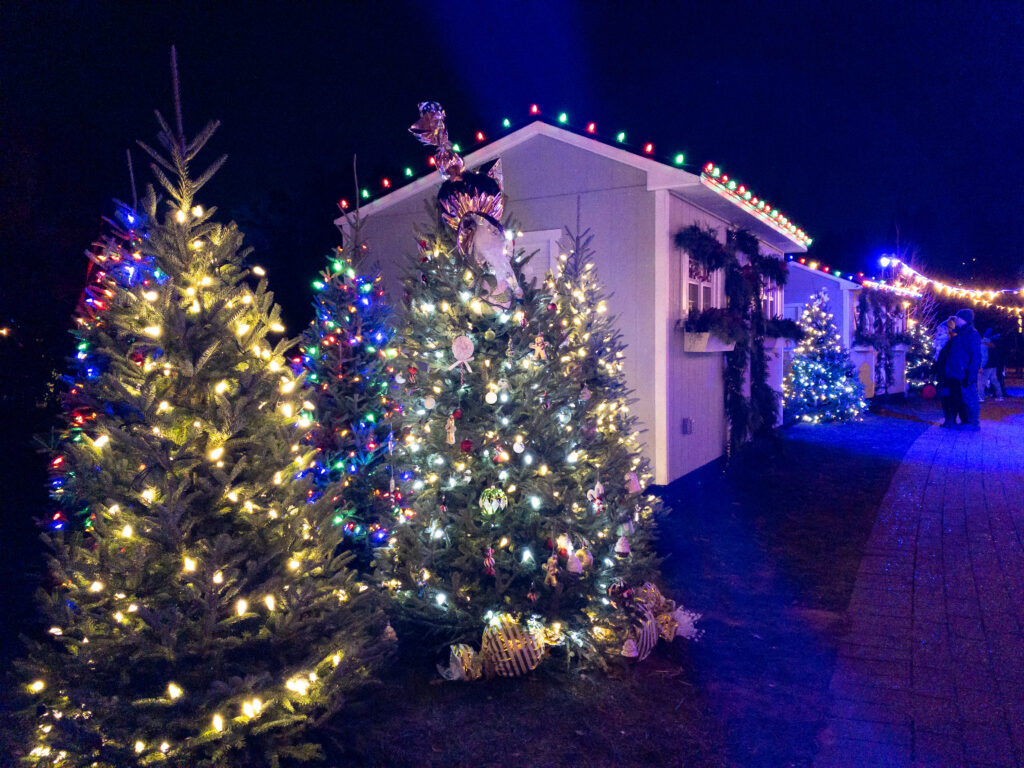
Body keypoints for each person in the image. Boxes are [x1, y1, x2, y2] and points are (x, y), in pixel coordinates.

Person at [945, 308, 982, 430]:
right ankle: (966, 421)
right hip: (956, 372)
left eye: (958, 318)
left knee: (970, 398)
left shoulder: (972, 333)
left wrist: (971, 374)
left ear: (965, 319)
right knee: (963, 398)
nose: (956, 320)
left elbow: (975, 356)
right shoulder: (959, 333)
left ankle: (973, 423)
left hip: (965, 372)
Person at [934, 316, 959, 427]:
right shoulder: (947, 343)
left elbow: (944, 359)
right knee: (947, 396)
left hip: (950, 373)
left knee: (951, 397)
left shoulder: (952, 343)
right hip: (947, 373)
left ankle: (951, 420)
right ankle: (949, 419)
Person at [978, 329, 1004, 401]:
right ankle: (1000, 396)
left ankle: (980, 397)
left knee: (981, 381)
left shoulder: (983, 344)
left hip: (987, 365)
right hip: (993, 365)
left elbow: (984, 357)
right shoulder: (991, 344)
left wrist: (981, 366)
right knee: (994, 380)